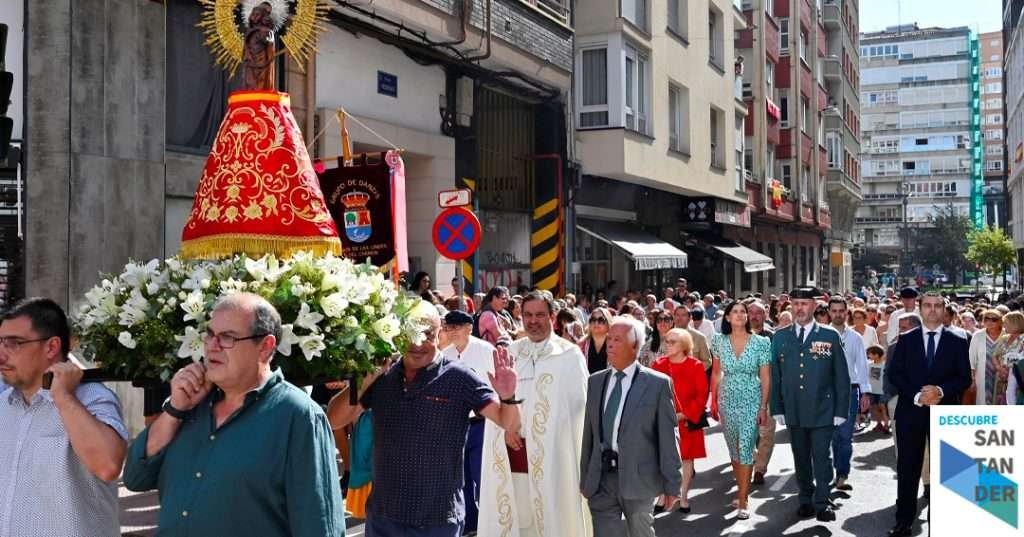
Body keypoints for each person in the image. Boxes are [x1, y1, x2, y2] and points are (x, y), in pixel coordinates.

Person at [123, 293, 344, 536]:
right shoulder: (188, 404)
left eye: (227, 337)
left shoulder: (298, 417)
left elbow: (320, 526)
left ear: (265, 347)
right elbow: (135, 477)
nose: (212, 346)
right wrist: (174, 409)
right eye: (209, 334)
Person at [327, 300, 521, 537]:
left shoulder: (459, 377)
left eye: (427, 334)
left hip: (437, 519)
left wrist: (508, 396)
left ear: (440, 335)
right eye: (411, 333)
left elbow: (509, 423)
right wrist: (363, 381)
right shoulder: (382, 376)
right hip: (383, 517)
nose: (417, 343)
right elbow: (334, 420)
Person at [0, 297, 129, 536]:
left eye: (14, 343)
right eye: (0, 342)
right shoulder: (3, 406)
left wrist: (64, 399)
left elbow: (108, 465)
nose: (1, 355)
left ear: (51, 347)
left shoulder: (92, 398)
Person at [479, 292, 592, 537]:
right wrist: (506, 428)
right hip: (515, 455)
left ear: (552, 316)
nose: (533, 321)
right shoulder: (510, 353)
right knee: (519, 522)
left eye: (540, 315)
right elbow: (498, 400)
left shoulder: (569, 355)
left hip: (554, 458)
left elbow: (579, 413)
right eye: (528, 315)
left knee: (553, 521)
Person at [580, 317, 682, 537]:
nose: (610, 343)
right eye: (609, 338)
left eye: (617, 339)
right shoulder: (595, 382)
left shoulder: (657, 384)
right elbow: (589, 434)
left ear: (634, 346)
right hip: (601, 479)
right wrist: (585, 476)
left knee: (641, 533)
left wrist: (672, 484)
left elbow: (668, 437)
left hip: (639, 480)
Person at [886, 291, 972, 537]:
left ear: (944, 310)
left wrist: (940, 391)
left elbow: (964, 378)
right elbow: (895, 374)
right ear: (920, 309)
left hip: (945, 412)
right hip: (910, 412)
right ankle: (903, 522)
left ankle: (942, 523)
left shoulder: (958, 340)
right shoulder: (906, 339)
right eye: (927, 305)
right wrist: (918, 395)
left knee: (947, 470)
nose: (932, 310)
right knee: (908, 468)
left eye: (937, 306)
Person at [770, 287, 850, 523]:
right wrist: (777, 407)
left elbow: (841, 376)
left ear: (814, 306)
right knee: (801, 457)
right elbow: (776, 376)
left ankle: (823, 502)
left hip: (823, 409)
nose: (800, 308)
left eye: (804, 304)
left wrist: (841, 410)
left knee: (822, 458)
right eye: (795, 304)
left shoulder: (829, 335)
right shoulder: (780, 337)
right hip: (793, 409)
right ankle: (806, 498)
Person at [709, 301, 772, 519]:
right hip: (727, 399)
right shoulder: (718, 341)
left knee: (745, 447)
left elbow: (765, 376)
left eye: (742, 312)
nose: (739, 314)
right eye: (734, 312)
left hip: (752, 398)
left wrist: (763, 406)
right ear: (727, 317)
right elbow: (716, 372)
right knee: (734, 450)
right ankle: (741, 488)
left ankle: (743, 499)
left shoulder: (761, 342)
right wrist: (713, 400)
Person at [441, 310, 497, 535]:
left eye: (456, 327)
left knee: (484, 475)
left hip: (482, 423)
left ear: (469, 328)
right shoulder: (444, 355)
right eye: (448, 327)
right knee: (460, 478)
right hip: (455, 426)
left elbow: (496, 386)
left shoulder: (486, 351)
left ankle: (491, 523)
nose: (452, 332)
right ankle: (470, 525)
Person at [651, 329, 708, 514]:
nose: (667, 344)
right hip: (663, 421)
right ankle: (663, 495)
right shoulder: (658, 364)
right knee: (661, 459)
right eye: (666, 341)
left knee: (686, 459)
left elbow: (701, 395)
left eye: (672, 341)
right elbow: (651, 394)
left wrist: (683, 415)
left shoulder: (695, 365)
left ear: (684, 345)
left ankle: (683, 496)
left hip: (687, 421)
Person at [826, 298, 871, 492]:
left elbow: (862, 365)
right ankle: (827, 475)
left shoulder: (855, 338)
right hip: (825, 392)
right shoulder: (820, 335)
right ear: (829, 312)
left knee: (845, 435)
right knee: (827, 436)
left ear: (846, 313)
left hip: (850, 391)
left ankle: (842, 474)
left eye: (841, 311)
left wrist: (865, 393)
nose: (838, 314)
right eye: (834, 311)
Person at [746, 301, 776, 485]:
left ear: (765, 315)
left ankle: (759, 469)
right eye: (751, 312)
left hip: (767, 392)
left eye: (758, 312)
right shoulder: (737, 336)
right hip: (743, 393)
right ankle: (751, 460)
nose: (754, 316)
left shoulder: (773, 337)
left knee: (766, 433)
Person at [989, 311, 1024, 406]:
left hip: (1016, 378)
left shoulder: (1023, 339)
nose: (1004, 326)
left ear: (1015, 324)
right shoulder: (1004, 338)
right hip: (1000, 377)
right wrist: (1000, 369)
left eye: (1006, 323)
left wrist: (1009, 371)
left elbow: (1020, 358)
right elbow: (994, 355)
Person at [971, 309, 1005, 404]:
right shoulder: (977, 335)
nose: (989, 322)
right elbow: (972, 359)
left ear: (1000, 321)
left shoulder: (1006, 335)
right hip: (982, 377)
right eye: (986, 319)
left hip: (1002, 377)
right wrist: (972, 379)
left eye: (994, 319)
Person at [672, 306, 714, 375]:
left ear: (690, 318)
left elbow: (707, 361)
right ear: (673, 317)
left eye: (683, 315)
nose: (680, 318)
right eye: (677, 315)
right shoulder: (667, 336)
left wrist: (693, 370)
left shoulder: (699, 337)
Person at [865, 345, 891, 434]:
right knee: (875, 408)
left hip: (882, 391)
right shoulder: (870, 365)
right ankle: (879, 424)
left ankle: (886, 425)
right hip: (873, 391)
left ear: (876, 355)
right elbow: (870, 378)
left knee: (882, 408)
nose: (868, 355)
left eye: (870, 354)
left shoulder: (885, 365)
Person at [581, 307, 612, 374]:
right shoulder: (581, 344)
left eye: (601, 320)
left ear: (608, 322)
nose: (596, 323)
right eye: (593, 319)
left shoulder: (614, 344)